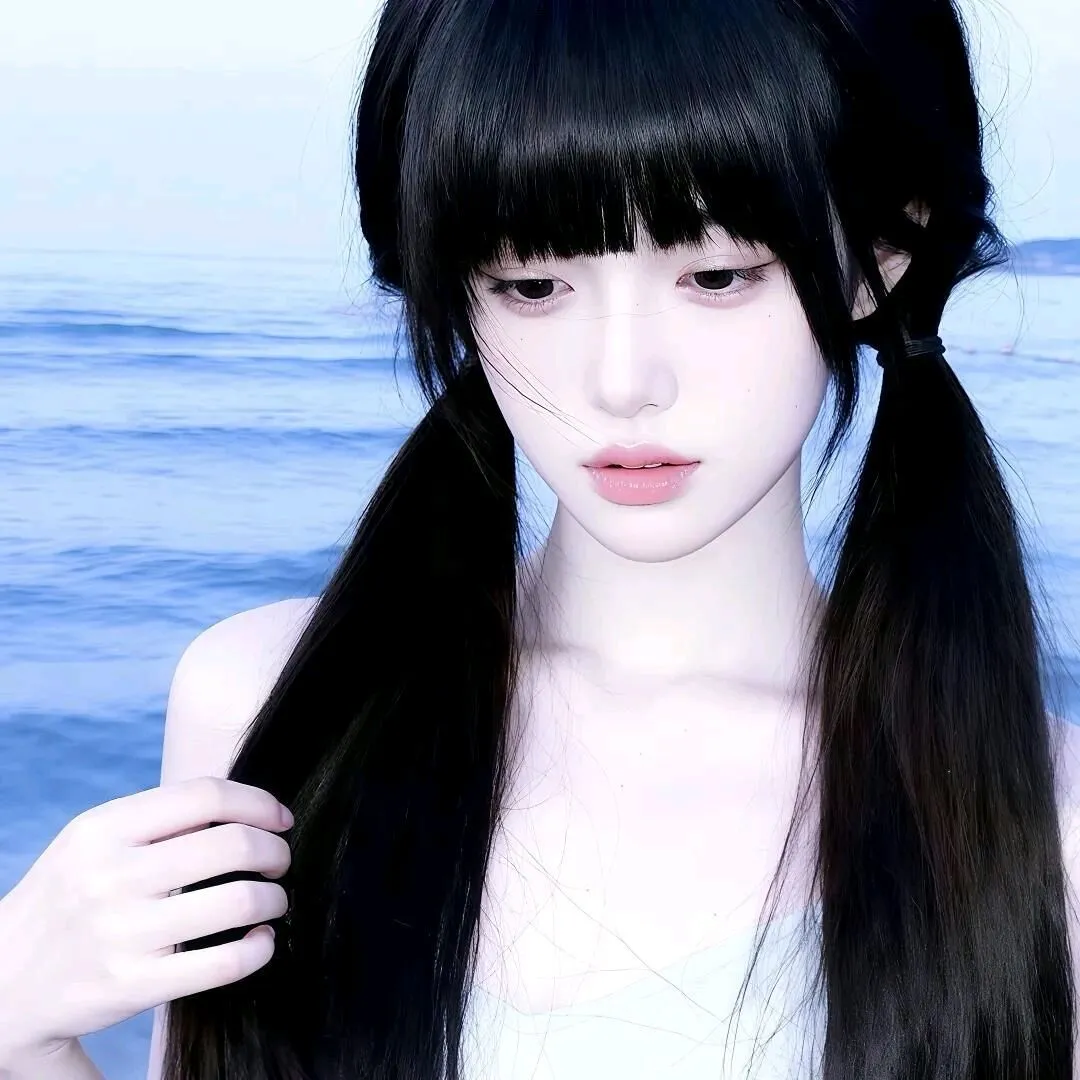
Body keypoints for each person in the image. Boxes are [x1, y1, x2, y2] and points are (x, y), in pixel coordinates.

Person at [1, 0, 1077, 1077]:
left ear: (880, 255)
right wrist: (21, 1021)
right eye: (532, 285)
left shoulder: (1050, 826)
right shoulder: (271, 699)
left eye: (716, 277)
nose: (621, 381)